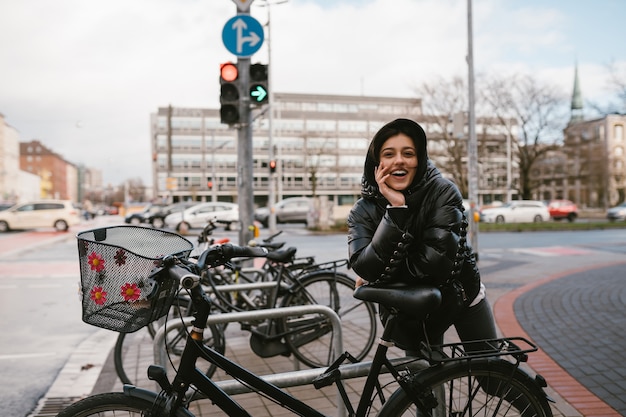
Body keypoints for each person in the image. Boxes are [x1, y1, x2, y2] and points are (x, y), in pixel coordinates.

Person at [347, 118, 496, 352]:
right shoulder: (362, 210)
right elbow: (363, 266)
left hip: (460, 295)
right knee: (420, 381)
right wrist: (396, 212)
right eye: (388, 154)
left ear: (420, 160)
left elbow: (432, 267)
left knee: (493, 377)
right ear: (376, 163)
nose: (399, 160)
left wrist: (380, 278)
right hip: (410, 310)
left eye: (408, 153)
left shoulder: (443, 192)